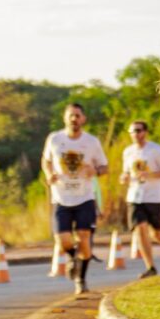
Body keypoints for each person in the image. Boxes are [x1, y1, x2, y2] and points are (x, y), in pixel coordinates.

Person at [42, 103, 108, 294]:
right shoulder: (54, 139)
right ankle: (74, 258)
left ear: (83, 119)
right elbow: (46, 160)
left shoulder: (92, 142)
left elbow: (105, 167)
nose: (74, 119)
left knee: (84, 239)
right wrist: (48, 173)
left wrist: (94, 170)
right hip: (60, 197)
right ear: (65, 118)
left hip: (85, 198)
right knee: (62, 241)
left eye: (78, 115)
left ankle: (81, 279)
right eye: (71, 115)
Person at [120, 120, 160, 278]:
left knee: (157, 234)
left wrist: (150, 175)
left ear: (145, 132)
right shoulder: (128, 152)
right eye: (133, 131)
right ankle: (150, 267)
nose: (136, 134)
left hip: (155, 197)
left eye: (139, 130)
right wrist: (124, 177)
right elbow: (126, 172)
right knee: (140, 229)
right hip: (134, 197)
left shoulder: (155, 150)